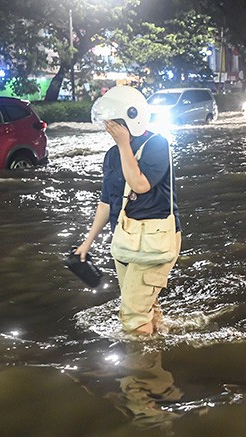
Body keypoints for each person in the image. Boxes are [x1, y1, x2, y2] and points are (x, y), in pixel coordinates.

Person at [74, 85, 181, 335]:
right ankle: (158, 345)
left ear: (129, 119)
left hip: (154, 240)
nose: (108, 127)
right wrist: (87, 242)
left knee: (132, 315)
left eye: (113, 122)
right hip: (125, 239)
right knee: (144, 306)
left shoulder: (157, 144)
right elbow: (106, 201)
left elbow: (140, 185)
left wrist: (124, 144)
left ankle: (141, 371)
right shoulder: (112, 155)